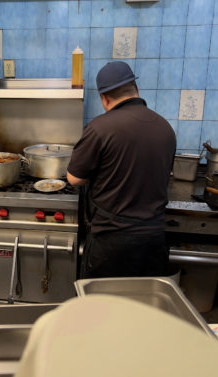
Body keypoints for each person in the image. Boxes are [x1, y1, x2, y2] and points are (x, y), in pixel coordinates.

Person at [67, 61, 176, 279]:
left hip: (112, 241)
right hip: (153, 240)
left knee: (104, 306)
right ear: (136, 90)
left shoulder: (100, 128)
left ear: (104, 98)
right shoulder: (166, 128)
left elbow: (74, 178)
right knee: (141, 306)